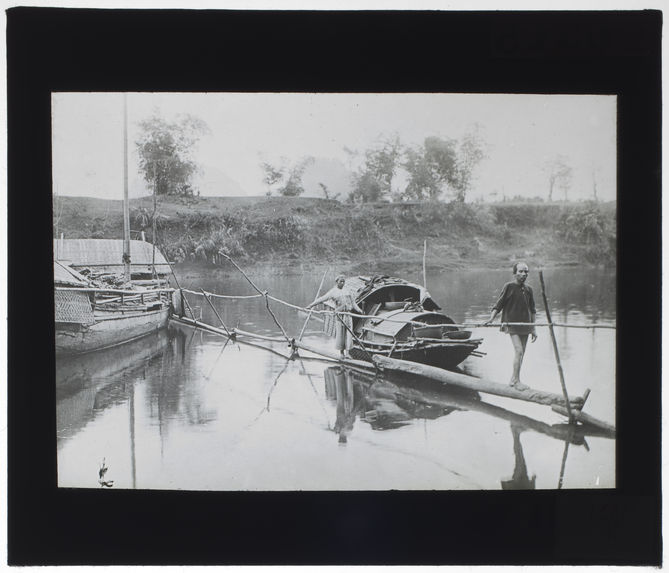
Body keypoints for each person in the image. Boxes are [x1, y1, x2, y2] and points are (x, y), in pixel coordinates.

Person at [484, 261, 538, 390]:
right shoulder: (509, 286)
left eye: (526, 271)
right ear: (514, 273)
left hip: (526, 325)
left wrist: (533, 329)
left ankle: (514, 379)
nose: (524, 274)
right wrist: (491, 319)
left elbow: (533, 310)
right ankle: (516, 380)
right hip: (511, 324)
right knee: (518, 351)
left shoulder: (529, 289)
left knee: (521, 353)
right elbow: (499, 305)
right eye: (520, 271)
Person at [307, 275, 363, 357]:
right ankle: (341, 353)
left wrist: (359, 310)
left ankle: (348, 353)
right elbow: (322, 299)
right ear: (337, 282)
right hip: (339, 316)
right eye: (341, 281)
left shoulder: (348, 291)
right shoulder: (333, 292)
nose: (342, 283)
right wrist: (311, 305)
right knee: (341, 334)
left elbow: (353, 303)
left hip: (348, 315)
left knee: (349, 334)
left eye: (343, 281)